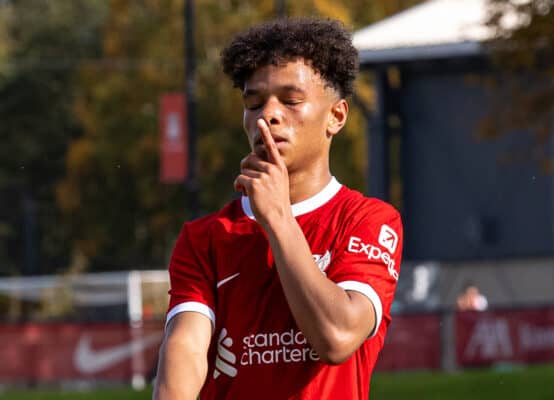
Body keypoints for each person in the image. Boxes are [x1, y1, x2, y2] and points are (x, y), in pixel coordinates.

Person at [153, 17, 403, 400]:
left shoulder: (368, 221)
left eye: (290, 101)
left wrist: (277, 218)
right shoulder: (205, 237)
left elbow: (336, 338)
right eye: (253, 102)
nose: (267, 115)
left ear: (336, 116)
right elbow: (184, 355)